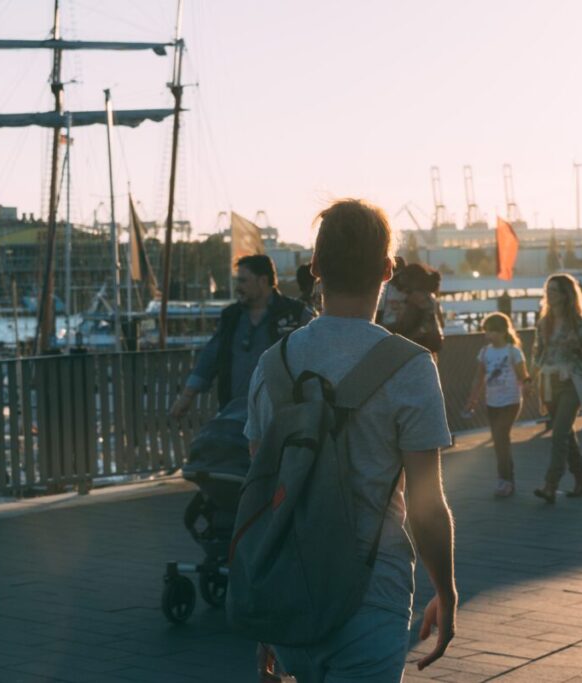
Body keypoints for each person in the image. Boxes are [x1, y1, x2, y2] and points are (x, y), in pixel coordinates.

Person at [244, 199, 457, 681]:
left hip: (289, 590)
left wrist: (263, 612)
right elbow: (426, 506)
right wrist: (445, 593)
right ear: (386, 270)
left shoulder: (273, 365)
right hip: (370, 595)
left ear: (315, 267)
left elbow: (261, 495)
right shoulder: (409, 366)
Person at [169, 255, 313, 418]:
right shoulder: (232, 316)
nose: (238, 287)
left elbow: (317, 353)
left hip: (281, 415)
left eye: (243, 281)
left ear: (263, 281)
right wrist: (187, 397)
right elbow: (210, 356)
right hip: (235, 412)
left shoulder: (295, 313)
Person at [530, 273, 582, 504]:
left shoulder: (579, 324)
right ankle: (581, 480)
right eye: (547, 290)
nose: (548, 295)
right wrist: (531, 378)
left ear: (564, 295)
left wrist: (577, 349)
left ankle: (550, 485)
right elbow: (537, 353)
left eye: (553, 291)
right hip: (549, 383)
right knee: (566, 434)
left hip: (571, 382)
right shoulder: (544, 322)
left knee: (559, 434)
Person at [464, 313, 531, 498]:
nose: (489, 335)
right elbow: (478, 377)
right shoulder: (485, 352)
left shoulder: (513, 351)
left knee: (501, 438)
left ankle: (506, 481)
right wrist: (472, 399)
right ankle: (506, 479)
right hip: (492, 401)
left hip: (511, 401)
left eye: (492, 331)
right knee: (500, 440)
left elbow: (523, 374)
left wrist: (527, 385)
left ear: (503, 331)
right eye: (487, 331)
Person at [390, 262, 445, 356]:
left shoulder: (415, 299)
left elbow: (404, 327)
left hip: (418, 346)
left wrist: (383, 327)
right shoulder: (431, 297)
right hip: (432, 346)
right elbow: (442, 323)